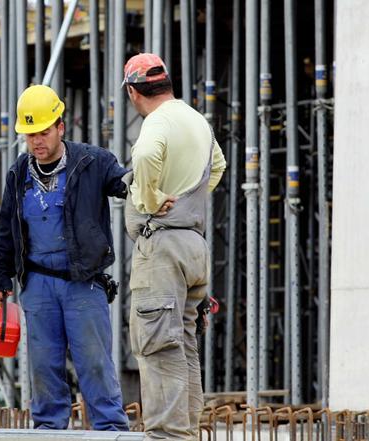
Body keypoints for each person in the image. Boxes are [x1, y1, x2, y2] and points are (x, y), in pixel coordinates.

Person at [0, 84, 130, 431]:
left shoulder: (93, 162)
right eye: (30, 134)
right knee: (43, 366)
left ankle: (110, 430)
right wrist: (0, 276)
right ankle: (49, 431)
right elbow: (8, 227)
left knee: (95, 363)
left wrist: (147, 181)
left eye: (43, 132)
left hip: (83, 282)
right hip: (38, 284)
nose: (37, 141)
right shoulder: (19, 172)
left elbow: (126, 184)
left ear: (60, 127)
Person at [122, 53, 227, 440]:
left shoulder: (158, 122)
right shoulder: (196, 119)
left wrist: (151, 198)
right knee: (182, 344)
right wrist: (185, 199)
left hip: (163, 247)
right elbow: (217, 166)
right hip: (193, 245)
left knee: (159, 347)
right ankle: (187, 432)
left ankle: (170, 436)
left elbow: (147, 155)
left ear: (134, 92)